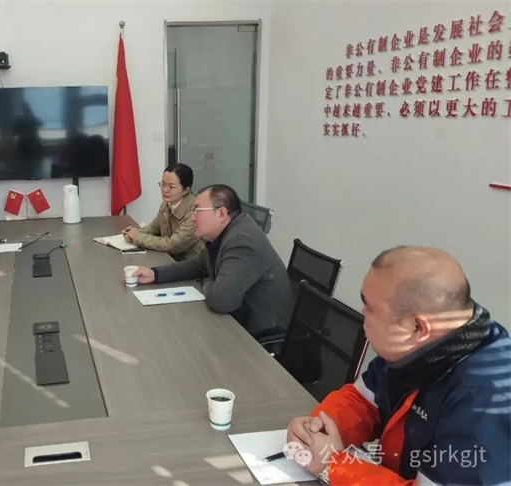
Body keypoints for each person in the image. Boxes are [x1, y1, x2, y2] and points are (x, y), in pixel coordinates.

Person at [285, 246, 511, 486]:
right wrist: (317, 429)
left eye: (369, 307)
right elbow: (363, 400)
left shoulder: (483, 399)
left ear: (417, 327)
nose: (362, 314)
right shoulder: (430, 343)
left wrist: (332, 465)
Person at [131, 185, 293, 336]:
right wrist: (155, 274)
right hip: (235, 319)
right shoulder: (223, 232)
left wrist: (208, 279)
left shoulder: (241, 241)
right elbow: (198, 265)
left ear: (221, 214)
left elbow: (220, 301)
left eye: (198, 211)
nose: (193, 218)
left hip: (258, 334)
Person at [122, 164, 204, 261]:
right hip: (169, 258)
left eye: (171, 187)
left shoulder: (195, 212)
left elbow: (171, 245)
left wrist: (138, 237)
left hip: (190, 263)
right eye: (163, 184)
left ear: (185, 190)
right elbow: (154, 227)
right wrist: (133, 234)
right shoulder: (166, 204)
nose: (165, 190)